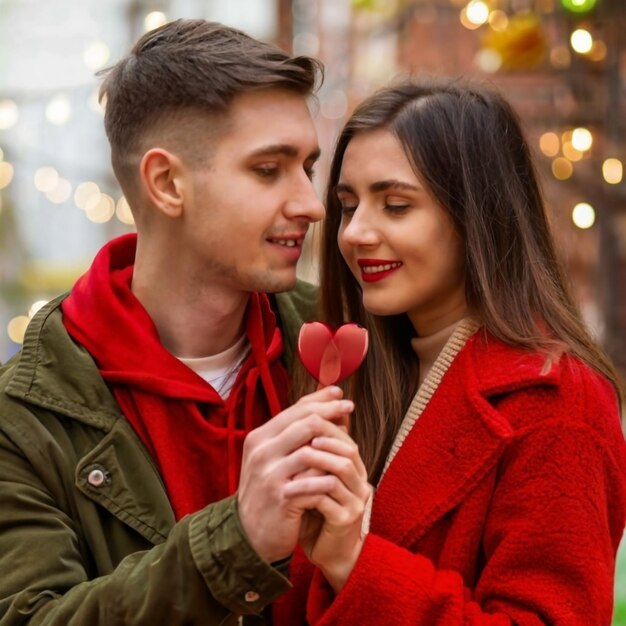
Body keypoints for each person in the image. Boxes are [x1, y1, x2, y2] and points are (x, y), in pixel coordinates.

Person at [0, 19, 368, 625]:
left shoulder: (350, 342)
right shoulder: (25, 419)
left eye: (307, 167)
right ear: (167, 183)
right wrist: (237, 540)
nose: (308, 203)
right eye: (268, 169)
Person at [273, 77, 626, 625]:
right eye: (348, 205)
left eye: (394, 205)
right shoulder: (361, 376)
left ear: (476, 216)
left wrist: (354, 560)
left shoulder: (558, 404)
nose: (355, 233)